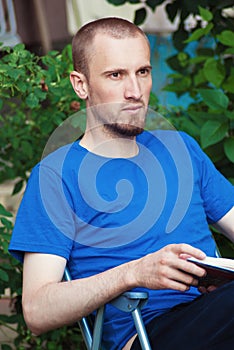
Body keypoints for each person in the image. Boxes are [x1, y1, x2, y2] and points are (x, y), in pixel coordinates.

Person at [9, 17, 234, 350]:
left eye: (142, 72)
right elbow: (37, 310)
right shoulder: (55, 177)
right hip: (147, 334)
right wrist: (133, 273)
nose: (134, 92)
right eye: (116, 75)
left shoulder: (180, 148)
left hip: (215, 313)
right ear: (80, 84)